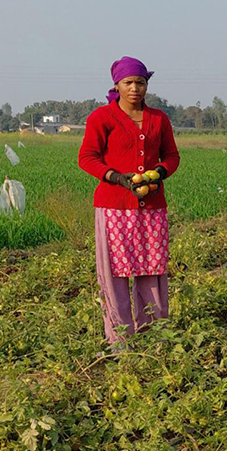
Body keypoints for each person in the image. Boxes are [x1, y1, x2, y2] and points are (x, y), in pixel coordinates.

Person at [78, 56, 180, 350]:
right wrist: (116, 177)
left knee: (152, 269)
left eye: (140, 82)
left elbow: (172, 156)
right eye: (129, 83)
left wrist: (160, 172)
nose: (135, 88)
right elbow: (87, 158)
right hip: (114, 206)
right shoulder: (102, 118)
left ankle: (154, 336)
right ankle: (120, 339)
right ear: (117, 85)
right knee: (114, 274)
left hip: (152, 205)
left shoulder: (159, 119)